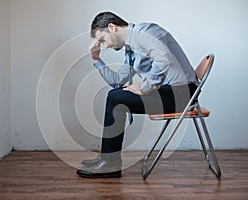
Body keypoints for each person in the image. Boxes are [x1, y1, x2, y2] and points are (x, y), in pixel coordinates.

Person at [76, 11, 198, 178]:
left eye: (103, 40)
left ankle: (110, 163)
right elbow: (118, 81)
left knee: (115, 98)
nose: (105, 46)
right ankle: (107, 159)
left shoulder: (145, 32)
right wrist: (96, 58)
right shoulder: (131, 49)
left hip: (182, 94)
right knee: (115, 94)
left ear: (112, 27)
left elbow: (164, 58)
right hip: (171, 92)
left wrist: (145, 87)